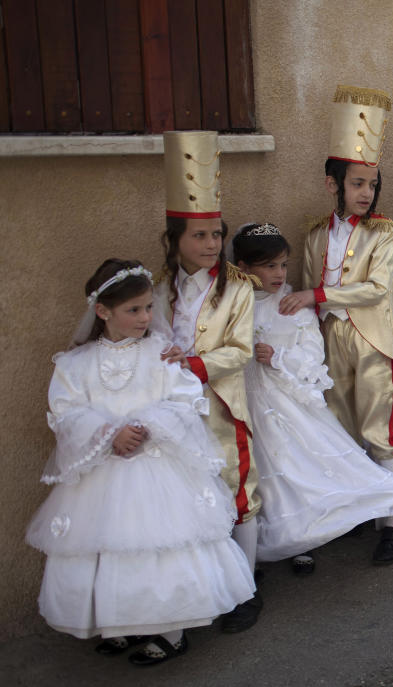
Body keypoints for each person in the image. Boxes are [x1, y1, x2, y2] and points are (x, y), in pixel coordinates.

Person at [26, 260, 256, 666]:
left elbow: (185, 401)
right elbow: (65, 412)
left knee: (160, 547)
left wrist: (147, 425)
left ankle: (170, 631)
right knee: (108, 549)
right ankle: (120, 622)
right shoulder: (74, 365)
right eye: (133, 310)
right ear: (102, 311)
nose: (146, 317)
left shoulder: (163, 356)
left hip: (157, 466)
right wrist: (106, 433)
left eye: (149, 307)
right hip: (101, 470)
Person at [232, 223, 393, 574]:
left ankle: (309, 542)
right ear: (243, 267)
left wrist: (277, 357)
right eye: (269, 266)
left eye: (283, 265)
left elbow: (312, 358)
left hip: (286, 402)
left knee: (296, 469)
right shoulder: (234, 307)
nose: (279, 273)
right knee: (264, 474)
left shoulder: (294, 307)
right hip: (248, 401)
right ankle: (265, 546)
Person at [278, 85, 393, 565]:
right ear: (333, 184)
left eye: (372, 184)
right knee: (339, 427)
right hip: (327, 342)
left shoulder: (385, 233)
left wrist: (318, 296)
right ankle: (359, 510)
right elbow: (304, 286)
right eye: (357, 183)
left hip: (373, 340)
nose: (366, 193)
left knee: (381, 429)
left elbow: (376, 289)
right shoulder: (313, 233)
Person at [151, 130, 264, 632]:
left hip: (223, 406)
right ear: (175, 239)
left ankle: (248, 587)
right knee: (194, 496)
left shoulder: (237, 288)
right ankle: (207, 584)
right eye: (199, 236)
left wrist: (192, 365)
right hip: (176, 411)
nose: (211, 244)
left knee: (238, 490)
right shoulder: (159, 289)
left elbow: (239, 351)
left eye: (217, 234)